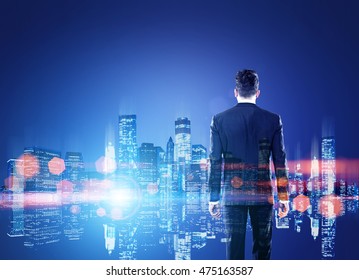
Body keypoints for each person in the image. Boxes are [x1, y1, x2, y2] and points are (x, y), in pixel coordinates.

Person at [208, 69, 289, 260]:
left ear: (235, 92)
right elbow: (279, 160)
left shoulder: (219, 120)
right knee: (263, 251)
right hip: (263, 195)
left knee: (234, 253)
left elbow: (215, 161)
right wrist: (283, 197)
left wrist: (213, 198)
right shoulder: (273, 120)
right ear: (258, 93)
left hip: (232, 195)